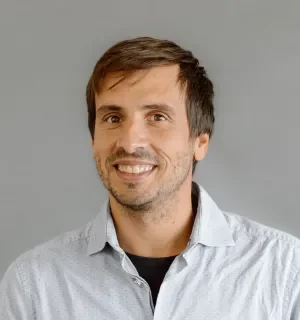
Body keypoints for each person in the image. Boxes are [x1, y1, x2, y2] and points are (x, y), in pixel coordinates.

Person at [0, 36, 299, 320]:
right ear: (93, 141)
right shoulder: (33, 284)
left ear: (200, 142)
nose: (130, 143)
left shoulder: (284, 271)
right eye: (113, 118)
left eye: (157, 117)